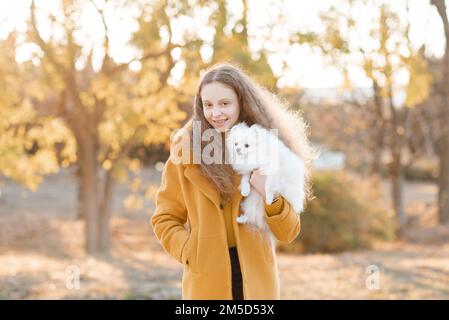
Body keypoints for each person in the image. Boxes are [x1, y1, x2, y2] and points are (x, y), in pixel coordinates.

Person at [151, 63, 315, 300]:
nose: (215, 113)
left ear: (242, 102)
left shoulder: (267, 148)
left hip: (258, 282)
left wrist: (268, 194)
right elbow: (165, 218)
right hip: (206, 281)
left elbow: (289, 231)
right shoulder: (184, 151)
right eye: (208, 105)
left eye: (224, 104)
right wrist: (189, 250)